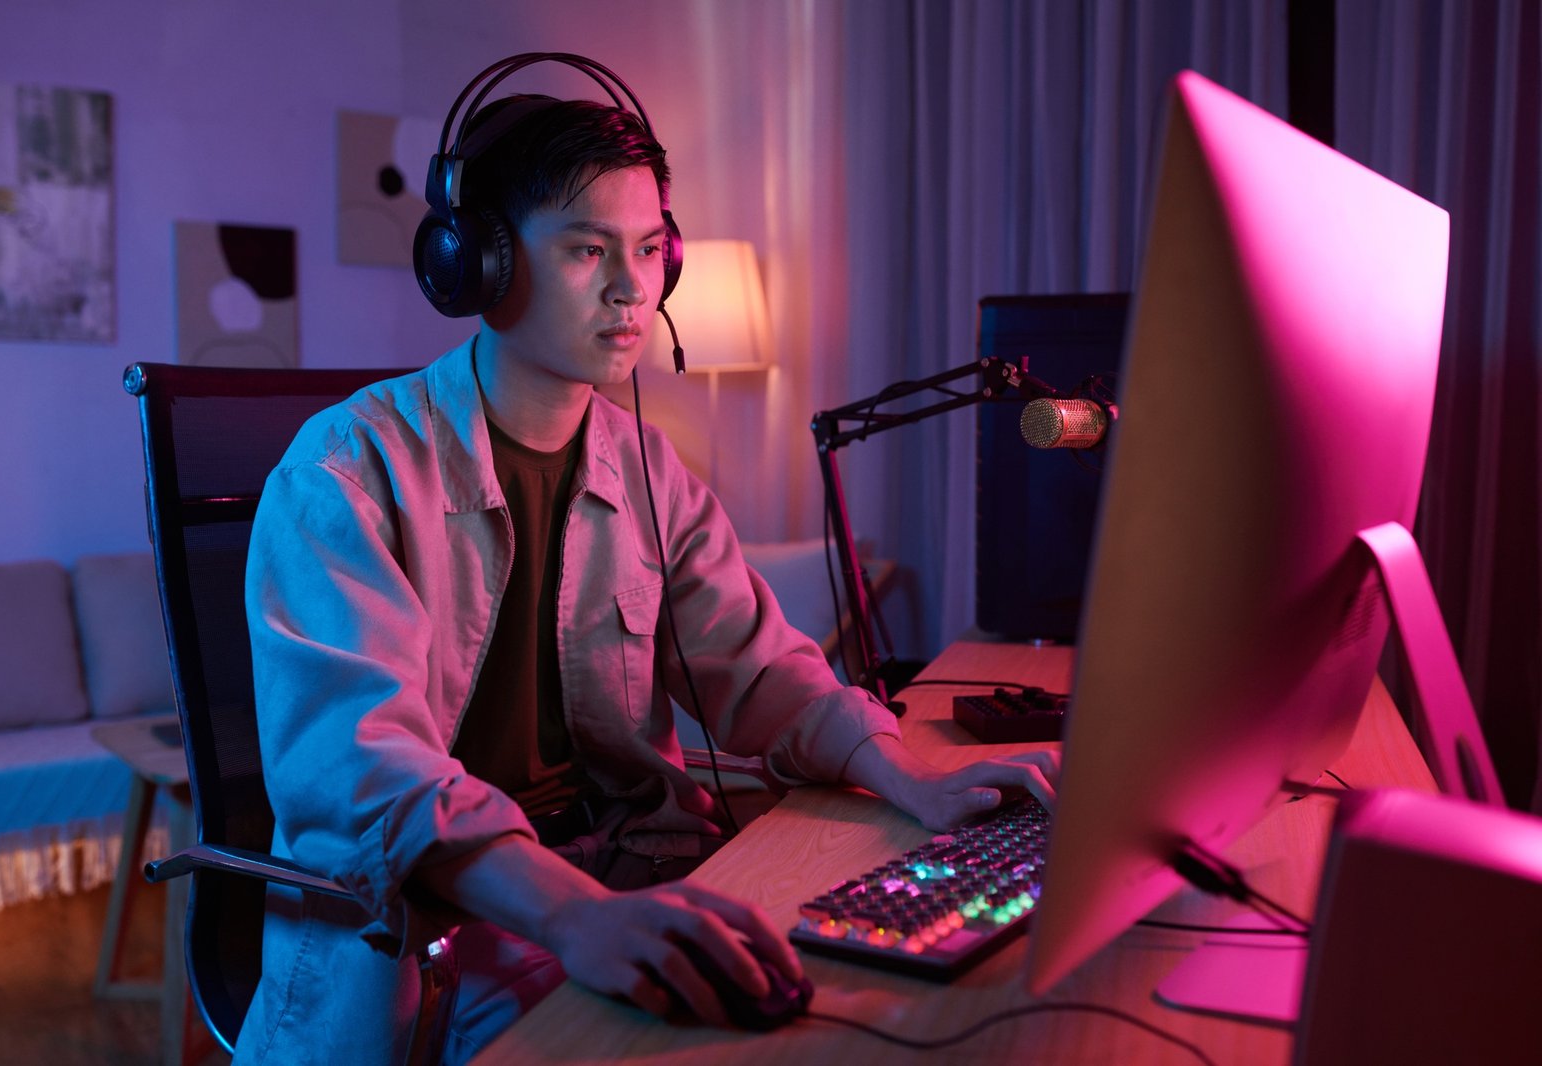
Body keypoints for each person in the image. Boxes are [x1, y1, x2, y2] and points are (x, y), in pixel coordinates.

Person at [237, 61, 1058, 1065]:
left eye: (649, 249)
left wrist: (913, 778)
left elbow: (760, 671)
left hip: (622, 882)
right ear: (477, 265)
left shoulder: (647, 466)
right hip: (430, 936)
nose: (633, 291)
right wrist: (577, 914)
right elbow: (370, 775)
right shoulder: (345, 474)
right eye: (588, 251)